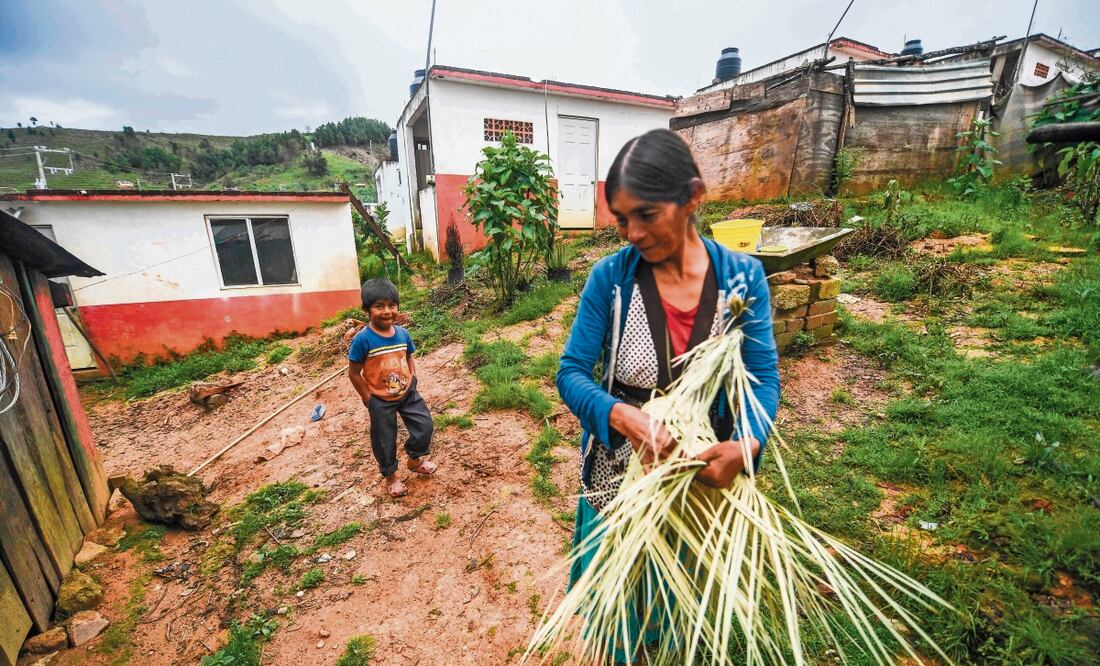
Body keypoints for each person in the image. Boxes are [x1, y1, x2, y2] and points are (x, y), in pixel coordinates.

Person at [555, 129, 780, 661]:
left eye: (646, 215)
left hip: (700, 476)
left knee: (683, 598)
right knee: (621, 604)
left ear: (693, 197)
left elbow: (763, 376)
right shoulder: (611, 280)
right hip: (621, 477)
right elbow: (571, 372)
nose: (631, 232)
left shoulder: (743, 280)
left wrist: (746, 444)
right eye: (620, 219)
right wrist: (622, 418)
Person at [348, 278, 436, 497]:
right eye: (379, 306)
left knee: (424, 425)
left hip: (407, 393)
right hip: (379, 399)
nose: (387, 311)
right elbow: (353, 373)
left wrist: (412, 376)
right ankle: (391, 477)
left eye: (391, 305)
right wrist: (367, 397)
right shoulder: (362, 340)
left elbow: (408, 355)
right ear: (367, 310)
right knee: (384, 439)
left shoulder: (403, 334)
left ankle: (414, 459)